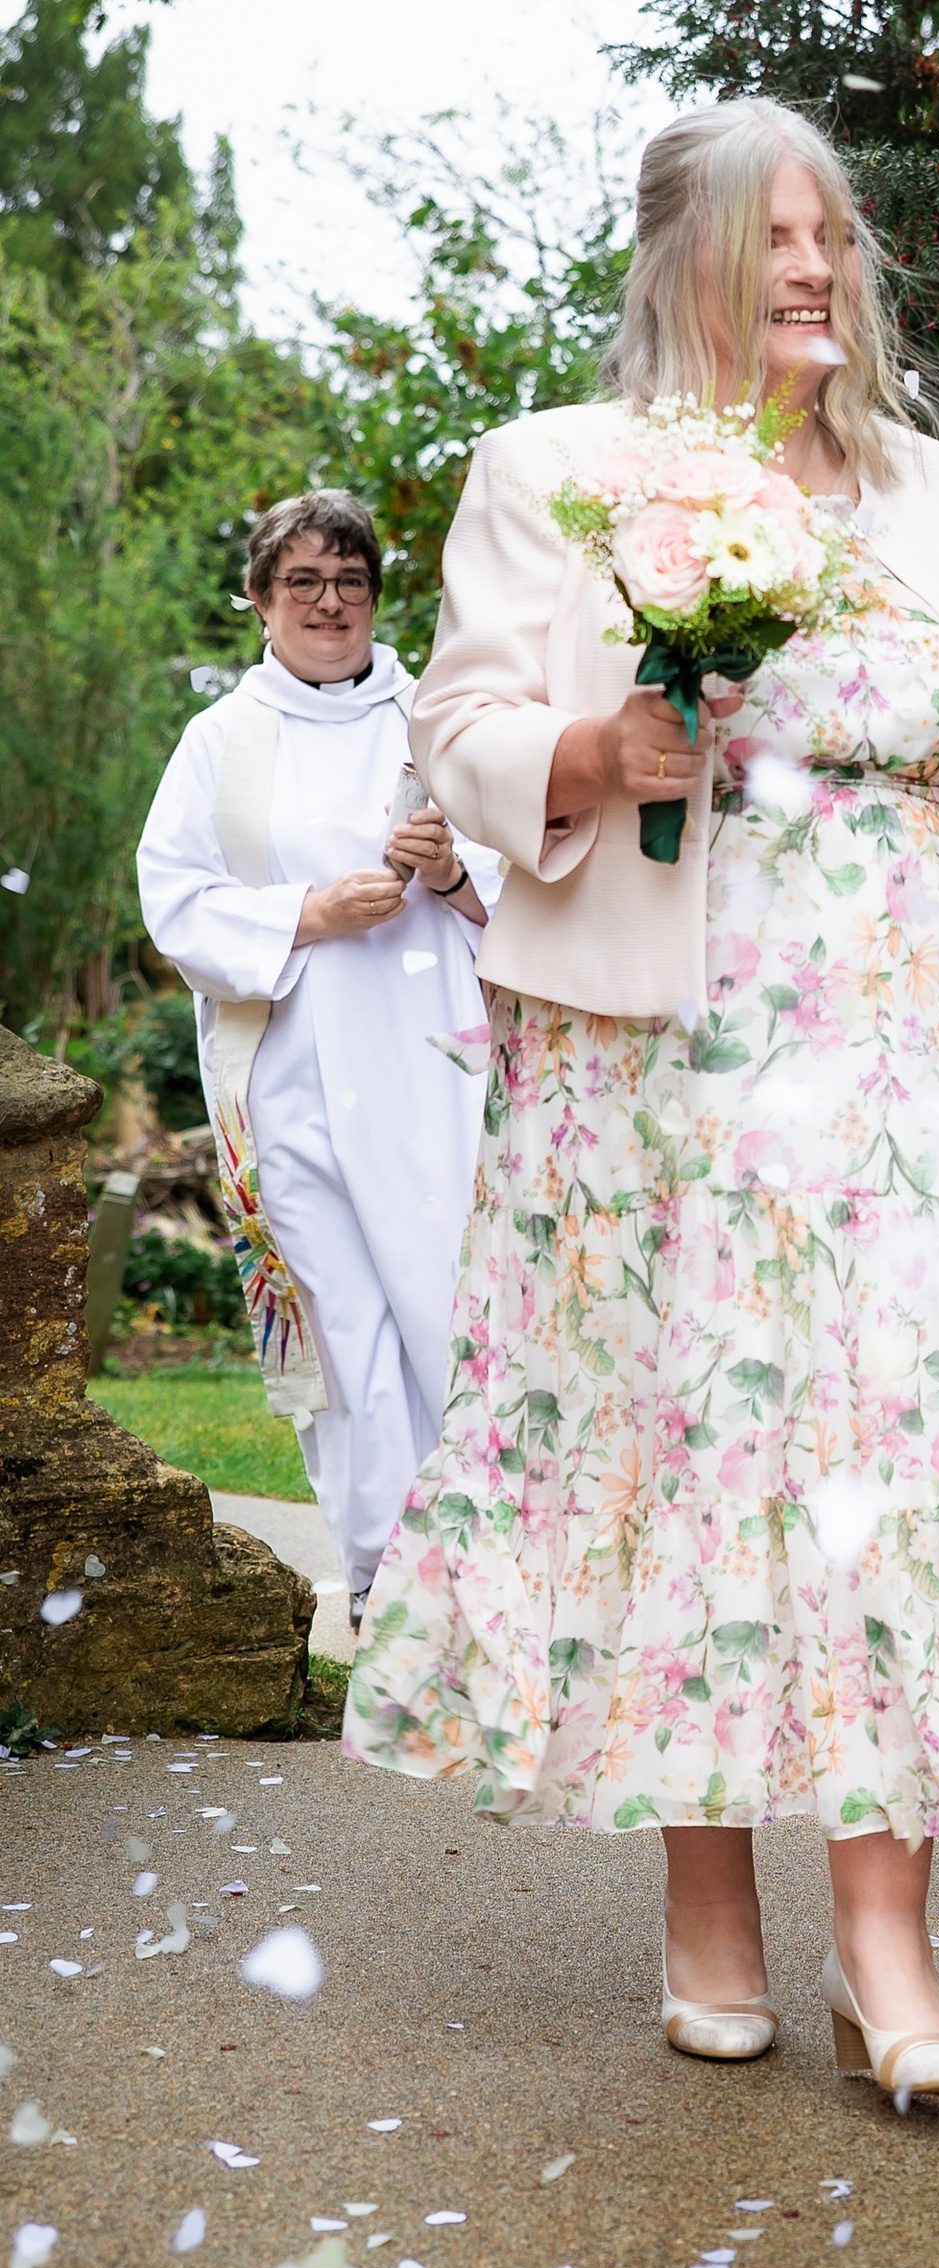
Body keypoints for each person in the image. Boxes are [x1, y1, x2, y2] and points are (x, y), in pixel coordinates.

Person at [345, 100, 939, 2092]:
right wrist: (597, 755)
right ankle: (707, 1902)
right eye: (771, 236)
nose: (812, 269)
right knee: (689, 1444)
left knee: (898, 1442)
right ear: (678, 261)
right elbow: (457, 721)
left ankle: (887, 1941)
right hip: (661, 1052)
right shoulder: (560, 468)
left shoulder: (915, 478)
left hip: (897, 1041)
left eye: (832, 237)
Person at [137, 491, 495, 1618]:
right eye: (302, 581)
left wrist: (449, 873)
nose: (329, 603)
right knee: (342, 1325)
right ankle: (386, 1580)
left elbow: (532, 871)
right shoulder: (221, 739)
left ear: (377, 598)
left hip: (435, 1062)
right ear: (259, 598)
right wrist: (307, 914)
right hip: (289, 1071)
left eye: (350, 581)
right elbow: (174, 898)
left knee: (452, 1297)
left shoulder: (440, 717)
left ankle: (485, 1561)